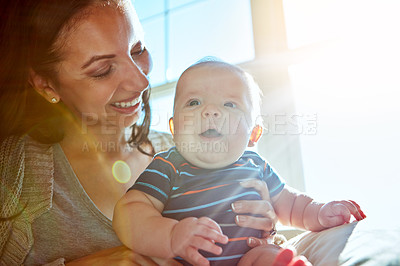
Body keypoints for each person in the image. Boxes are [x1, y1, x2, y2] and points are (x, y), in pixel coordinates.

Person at [0, 1, 281, 265]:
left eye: (138, 50)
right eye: (103, 70)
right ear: (46, 85)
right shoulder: (11, 172)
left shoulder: (192, 151)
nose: (141, 81)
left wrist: (262, 227)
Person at [113, 59, 367, 266]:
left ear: (254, 134)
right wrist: (170, 236)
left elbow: (291, 205)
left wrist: (320, 212)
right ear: (174, 128)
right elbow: (131, 211)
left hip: (249, 257)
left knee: (269, 258)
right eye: (194, 102)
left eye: (229, 104)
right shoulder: (168, 165)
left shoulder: (256, 165)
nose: (210, 111)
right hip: (187, 260)